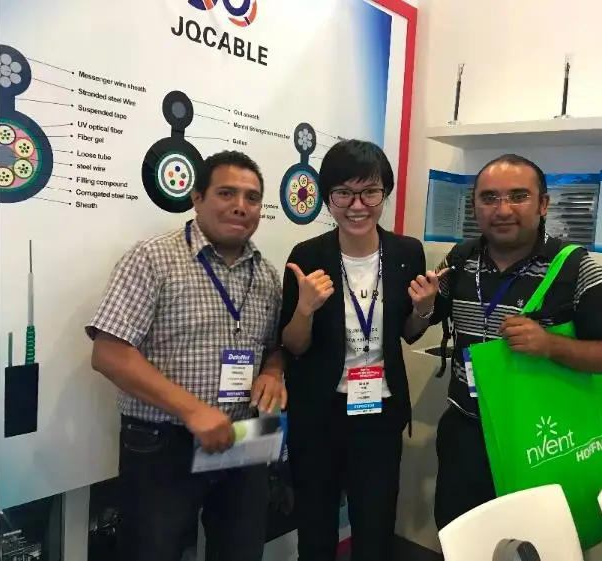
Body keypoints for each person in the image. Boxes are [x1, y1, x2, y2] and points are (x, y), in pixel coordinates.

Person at [86, 150, 286, 561]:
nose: (240, 206)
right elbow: (109, 353)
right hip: (163, 443)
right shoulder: (153, 257)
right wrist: (193, 410)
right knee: (151, 552)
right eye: (226, 193)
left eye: (251, 197)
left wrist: (273, 371)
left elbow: (274, 349)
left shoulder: (266, 274)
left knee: (241, 552)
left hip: (244, 437)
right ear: (197, 198)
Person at [426, 153, 602, 530]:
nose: (503, 210)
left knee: (538, 541)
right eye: (489, 198)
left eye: (518, 196)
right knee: (460, 537)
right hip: (466, 432)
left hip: (538, 437)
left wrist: (550, 345)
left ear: (543, 204)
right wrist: (423, 305)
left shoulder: (575, 267)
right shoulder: (459, 258)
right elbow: (424, 317)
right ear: (475, 205)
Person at [279, 139, 443, 561]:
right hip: (319, 414)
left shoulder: (406, 253)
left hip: (379, 414)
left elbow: (408, 334)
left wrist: (424, 310)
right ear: (327, 198)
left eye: (370, 192)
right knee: (316, 531)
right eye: (343, 193)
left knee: (374, 530)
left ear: (384, 194)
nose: (357, 205)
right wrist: (304, 309)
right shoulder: (307, 256)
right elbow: (294, 345)